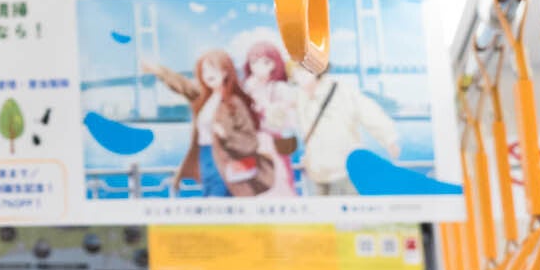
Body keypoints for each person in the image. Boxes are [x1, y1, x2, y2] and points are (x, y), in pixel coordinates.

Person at [143, 50, 274, 197]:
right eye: (204, 70)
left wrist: (226, 135)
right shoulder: (204, 98)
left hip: (225, 158)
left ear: (225, 72)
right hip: (205, 156)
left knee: (218, 198)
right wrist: (159, 71)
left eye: (213, 68)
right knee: (210, 196)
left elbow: (250, 140)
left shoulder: (234, 103)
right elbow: (182, 85)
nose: (208, 74)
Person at [292, 64, 401, 196]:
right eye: (296, 72)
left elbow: (368, 111)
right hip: (317, 173)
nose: (298, 76)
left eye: (303, 71)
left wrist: (389, 139)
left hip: (343, 171)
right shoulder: (300, 96)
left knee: (349, 206)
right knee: (322, 208)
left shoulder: (341, 91)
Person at [242, 40, 300, 196]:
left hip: (274, 145)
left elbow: (289, 122)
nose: (258, 67)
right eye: (254, 62)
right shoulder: (247, 88)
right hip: (252, 147)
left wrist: (265, 106)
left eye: (265, 62)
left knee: (279, 185)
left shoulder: (280, 89)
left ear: (274, 64)